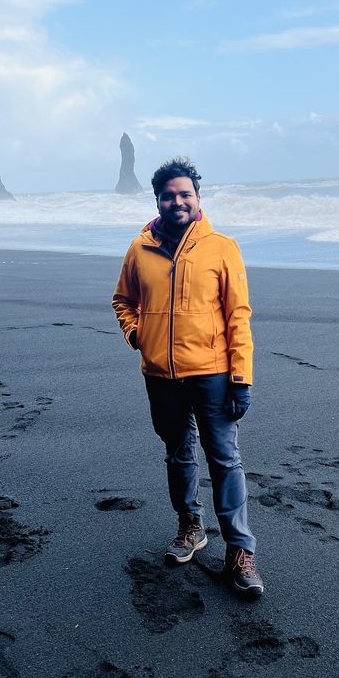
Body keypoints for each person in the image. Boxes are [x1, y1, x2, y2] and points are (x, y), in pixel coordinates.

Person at [112, 157, 264, 596]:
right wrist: (138, 335)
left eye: (185, 194)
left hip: (213, 373)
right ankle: (190, 526)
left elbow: (238, 316)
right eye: (168, 196)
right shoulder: (139, 249)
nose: (177, 202)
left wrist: (242, 378)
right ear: (157, 200)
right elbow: (123, 300)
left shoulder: (222, 247)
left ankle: (240, 550)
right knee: (178, 454)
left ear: (198, 198)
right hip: (160, 375)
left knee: (225, 460)